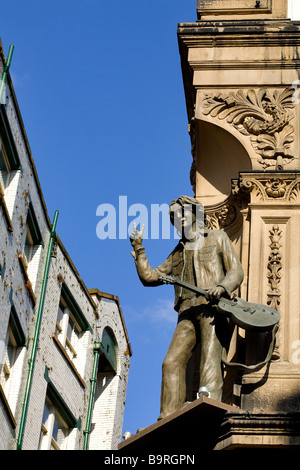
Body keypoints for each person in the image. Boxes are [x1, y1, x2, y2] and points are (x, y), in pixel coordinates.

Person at [130, 195, 244, 420]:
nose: (177, 219)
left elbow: (236, 271)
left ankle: (209, 401)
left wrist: (221, 287)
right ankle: (168, 415)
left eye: (182, 214)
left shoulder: (217, 238)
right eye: (173, 217)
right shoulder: (178, 252)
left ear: (196, 215)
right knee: (171, 361)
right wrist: (139, 249)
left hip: (213, 308)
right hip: (187, 311)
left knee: (210, 357)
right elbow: (151, 277)